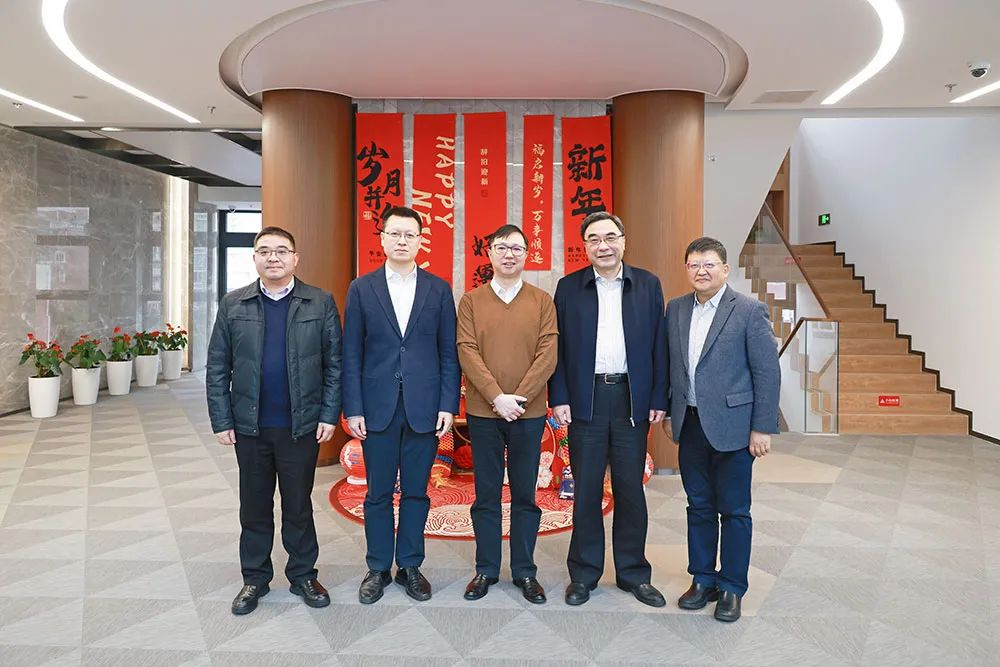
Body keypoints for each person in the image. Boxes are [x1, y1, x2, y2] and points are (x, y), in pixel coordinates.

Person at [206, 225, 342, 615]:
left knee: (298, 505)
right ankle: (254, 578)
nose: (273, 258)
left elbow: (335, 365)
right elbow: (217, 367)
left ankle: (303, 575)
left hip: (301, 426)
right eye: (265, 251)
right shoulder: (234, 304)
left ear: (295, 258)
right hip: (250, 426)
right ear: (255, 258)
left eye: (282, 251)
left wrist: (328, 414)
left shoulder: (319, 302)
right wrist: (221, 419)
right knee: (254, 506)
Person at [549, 211, 667, 607]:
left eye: (610, 237)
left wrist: (658, 398)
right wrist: (560, 396)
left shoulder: (647, 285)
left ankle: (634, 573)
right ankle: (584, 574)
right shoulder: (569, 288)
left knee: (630, 489)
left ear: (623, 241)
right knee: (585, 490)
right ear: (585, 246)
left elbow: (659, 346)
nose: (604, 246)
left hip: (632, 399)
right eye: (594, 239)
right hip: (587, 400)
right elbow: (558, 349)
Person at [343, 206, 461, 604]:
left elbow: (448, 352)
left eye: (410, 235)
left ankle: (410, 564)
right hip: (376, 406)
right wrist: (353, 408)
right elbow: (351, 353)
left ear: (421, 241)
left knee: (416, 491)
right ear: (382, 239)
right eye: (395, 233)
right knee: (377, 493)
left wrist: (447, 404)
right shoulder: (362, 288)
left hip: (424, 407)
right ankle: (378, 567)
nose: (402, 241)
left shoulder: (438, 289)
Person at [665, 236, 780, 623]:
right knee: (698, 505)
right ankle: (702, 579)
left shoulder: (748, 310)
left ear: (725, 270)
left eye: (709, 264)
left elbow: (767, 372)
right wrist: (669, 412)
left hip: (735, 427)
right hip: (691, 424)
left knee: (734, 510)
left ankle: (732, 586)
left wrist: (762, 427)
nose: (701, 271)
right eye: (694, 265)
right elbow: (673, 367)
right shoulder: (676, 309)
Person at [456, 224, 558, 603]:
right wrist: (497, 397)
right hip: (484, 412)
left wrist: (520, 398)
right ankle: (485, 569)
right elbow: (466, 350)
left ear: (527, 254)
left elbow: (548, 354)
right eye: (502, 247)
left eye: (517, 248)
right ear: (490, 253)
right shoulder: (471, 300)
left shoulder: (542, 301)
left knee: (525, 494)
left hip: (528, 415)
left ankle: (525, 571)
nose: (509, 254)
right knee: (485, 493)